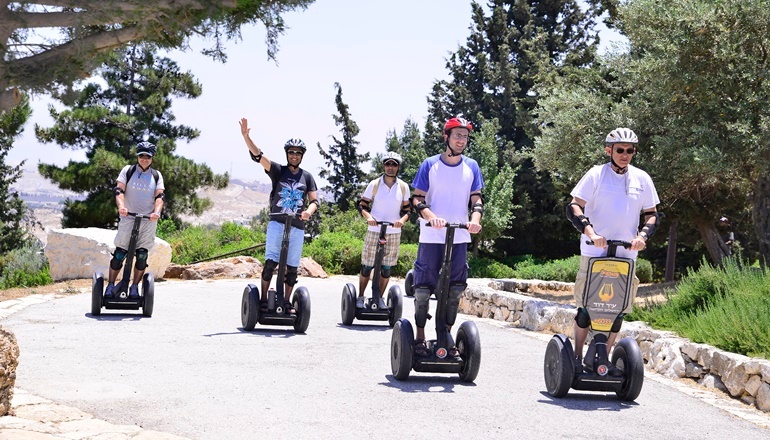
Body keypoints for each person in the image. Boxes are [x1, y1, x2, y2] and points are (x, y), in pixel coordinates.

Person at [566, 127, 661, 375]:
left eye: (630, 151)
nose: (625, 155)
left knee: (617, 309)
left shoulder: (642, 179)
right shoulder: (596, 175)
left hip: (627, 254)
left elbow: (652, 215)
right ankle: (577, 357)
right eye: (620, 150)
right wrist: (591, 233)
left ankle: (602, 359)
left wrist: (641, 237)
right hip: (594, 251)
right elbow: (575, 206)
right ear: (609, 150)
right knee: (587, 307)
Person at [410, 116, 484, 357]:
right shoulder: (429, 164)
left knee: (455, 289)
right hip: (432, 235)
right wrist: (431, 216)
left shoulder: (471, 166)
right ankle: (420, 338)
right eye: (457, 135)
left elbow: (477, 199)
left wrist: (475, 221)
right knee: (422, 290)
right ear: (446, 137)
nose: (462, 140)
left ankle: (446, 337)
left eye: (465, 136)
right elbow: (417, 198)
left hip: (460, 236)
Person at [239, 118, 319, 313]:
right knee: (270, 264)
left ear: (302, 156)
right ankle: (265, 300)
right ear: (287, 154)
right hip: (277, 222)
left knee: (292, 269)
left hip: (297, 226)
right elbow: (259, 156)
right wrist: (246, 137)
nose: (294, 155)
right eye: (291, 152)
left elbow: (315, 201)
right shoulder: (278, 171)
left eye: (297, 153)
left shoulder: (307, 177)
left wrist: (309, 211)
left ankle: (287, 301)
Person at [105, 141, 165, 299]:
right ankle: (110, 285)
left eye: (148, 157)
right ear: (138, 157)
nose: (144, 159)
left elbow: (160, 196)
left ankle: (134, 287)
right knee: (120, 253)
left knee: (142, 255)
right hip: (128, 217)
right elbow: (119, 190)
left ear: (152, 158)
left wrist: (156, 212)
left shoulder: (156, 175)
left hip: (148, 220)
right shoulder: (128, 171)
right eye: (142, 156)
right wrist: (121, 207)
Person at [356, 151, 412, 309]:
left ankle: (379, 298)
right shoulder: (374, 184)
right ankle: (360, 297)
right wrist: (368, 217)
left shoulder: (403, 187)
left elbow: (408, 210)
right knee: (367, 265)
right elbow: (362, 205)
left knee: (386, 268)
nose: (390, 167)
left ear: (398, 167)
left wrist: (401, 221)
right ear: (383, 166)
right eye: (388, 164)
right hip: (374, 229)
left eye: (394, 164)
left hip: (393, 232)